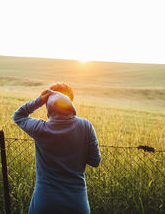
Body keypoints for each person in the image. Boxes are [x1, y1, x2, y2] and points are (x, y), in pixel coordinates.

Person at [12, 83, 101, 214]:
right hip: (77, 204)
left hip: (45, 203)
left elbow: (18, 116)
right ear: (70, 103)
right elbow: (95, 161)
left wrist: (39, 100)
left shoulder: (40, 128)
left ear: (49, 103)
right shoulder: (85, 126)